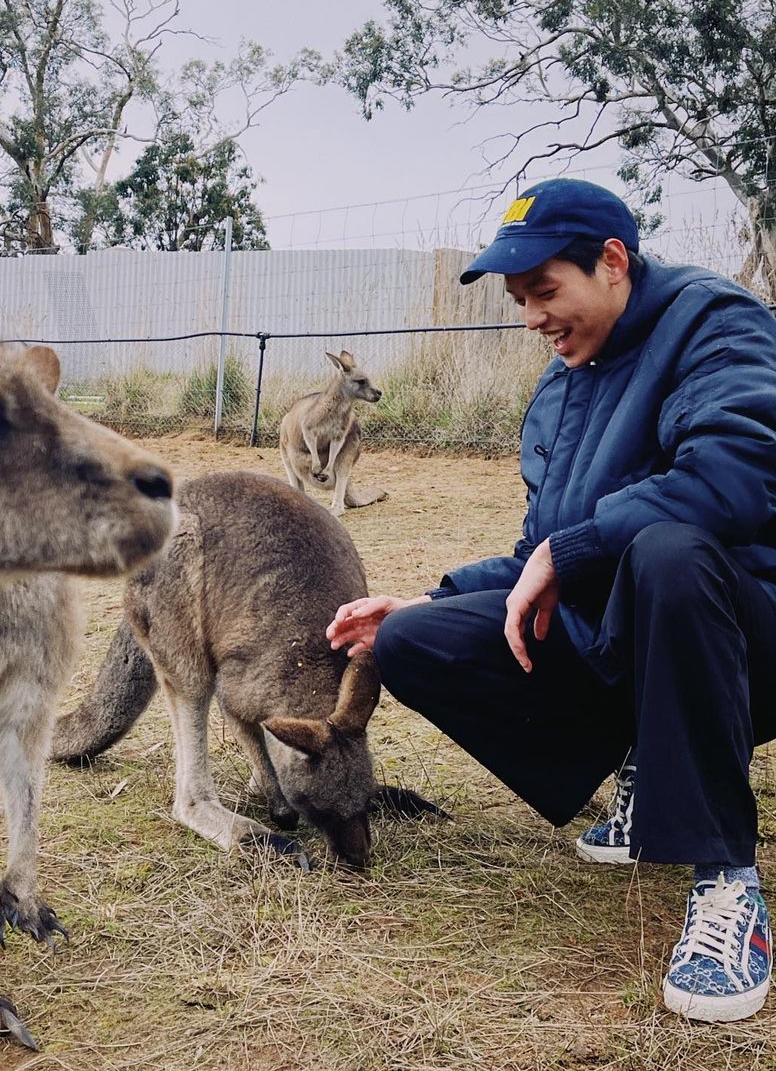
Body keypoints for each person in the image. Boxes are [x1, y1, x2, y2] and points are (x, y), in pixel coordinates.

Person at [327, 178, 776, 1023]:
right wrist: (425, 598)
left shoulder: (716, 324)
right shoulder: (564, 381)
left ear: (612, 263)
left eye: (544, 291)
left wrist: (575, 548)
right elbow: (541, 550)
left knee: (669, 550)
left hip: (748, 638)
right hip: (625, 639)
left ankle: (725, 879)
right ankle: (646, 760)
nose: (532, 317)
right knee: (412, 640)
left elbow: (736, 477)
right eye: (519, 299)